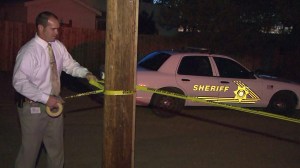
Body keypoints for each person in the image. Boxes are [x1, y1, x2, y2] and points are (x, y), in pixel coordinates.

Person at [12, 11, 98, 168]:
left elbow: (70, 65)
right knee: (29, 153)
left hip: (55, 106)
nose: (57, 32)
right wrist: (46, 98)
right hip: (33, 107)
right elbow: (19, 82)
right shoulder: (29, 52)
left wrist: (86, 73)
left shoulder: (57, 47)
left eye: (58, 29)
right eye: (53, 29)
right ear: (40, 28)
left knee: (56, 151)